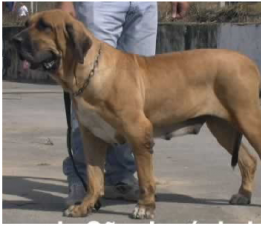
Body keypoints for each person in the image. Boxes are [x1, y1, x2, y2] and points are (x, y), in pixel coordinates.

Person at [59, 1, 189, 206]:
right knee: (87, 85)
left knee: (131, 99)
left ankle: (120, 176)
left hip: (144, 5)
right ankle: (84, 180)